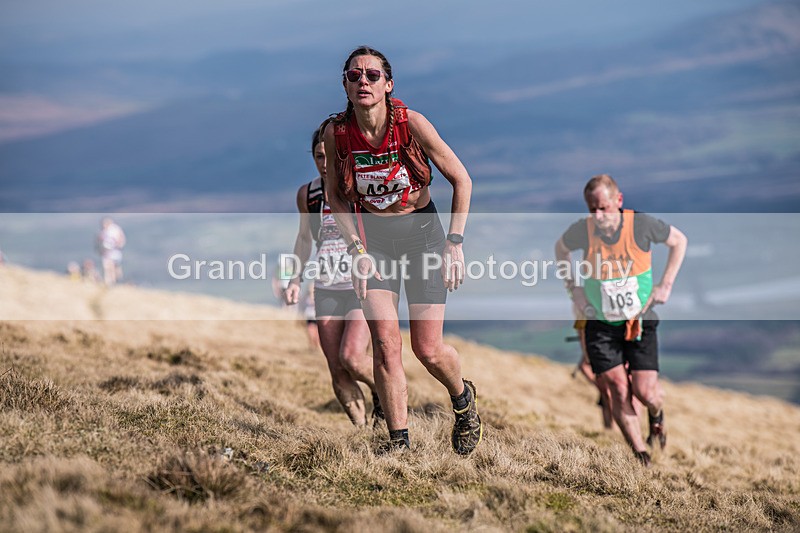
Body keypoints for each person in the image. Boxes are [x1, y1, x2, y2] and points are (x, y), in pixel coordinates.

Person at [322, 46, 482, 454]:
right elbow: (335, 197)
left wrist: (455, 243)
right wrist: (356, 249)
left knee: (427, 349)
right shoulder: (336, 133)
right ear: (344, 85)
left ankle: (463, 399)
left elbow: (461, 179)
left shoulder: (410, 123)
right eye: (354, 75)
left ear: (388, 84)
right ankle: (399, 444)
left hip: (422, 236)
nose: (363, 81)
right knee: (385, 344)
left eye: (372, 75)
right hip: (373, 243)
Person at [556, 174, 687, 466]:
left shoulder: (641, 225)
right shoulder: (583, 230)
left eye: (603, 208)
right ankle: (641, 455)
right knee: (617, 388)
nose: (598, 216)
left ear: (619, 200)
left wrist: (666, 284)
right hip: (600, 325)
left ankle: (656, 416)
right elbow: (560, 249)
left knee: (646, 393)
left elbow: (679, 241)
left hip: (640, 320)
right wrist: (574, 289)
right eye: (592, 209)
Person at [283, 124, 382, 427]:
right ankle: (362, 434)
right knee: (337, 368)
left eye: (329, 155)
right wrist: (295, 279)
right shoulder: (309, 194)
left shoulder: (357, 188)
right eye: (318, 156)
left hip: (361, 287)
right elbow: (304, 239)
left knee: (352, 357)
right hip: (326, 288)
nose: (324, 163)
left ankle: (386, 393)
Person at [96, 217, 126, 286]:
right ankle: (109, 282)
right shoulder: (102, 232)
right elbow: (98, 241)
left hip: (115, 251)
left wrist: (118, 245)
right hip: (106, 252)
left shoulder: (115, 230)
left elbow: (121, 239)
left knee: (115, 266)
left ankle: (116, 279)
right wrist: (100, 249)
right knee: (107, 266)